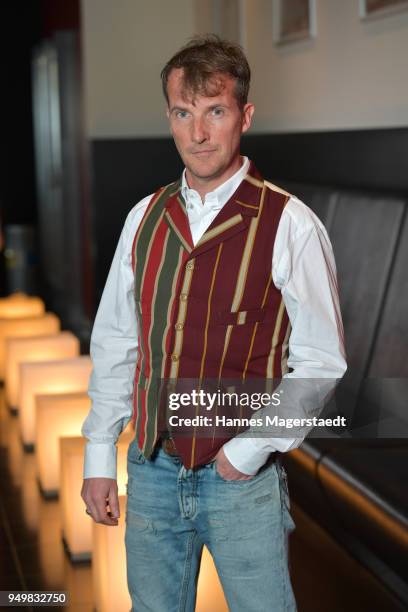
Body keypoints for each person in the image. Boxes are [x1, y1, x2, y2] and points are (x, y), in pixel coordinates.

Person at [81, 34, 347, 611]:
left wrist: (248, 451)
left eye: (215, 112)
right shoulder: (143, 218)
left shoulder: (289, 224)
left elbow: (321, 362)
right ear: (170, 118)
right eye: (183, 113)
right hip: (149, 470)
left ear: (244, 116)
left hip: (240, 482)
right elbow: (116, 341)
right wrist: (99, 457)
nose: (198, 134)